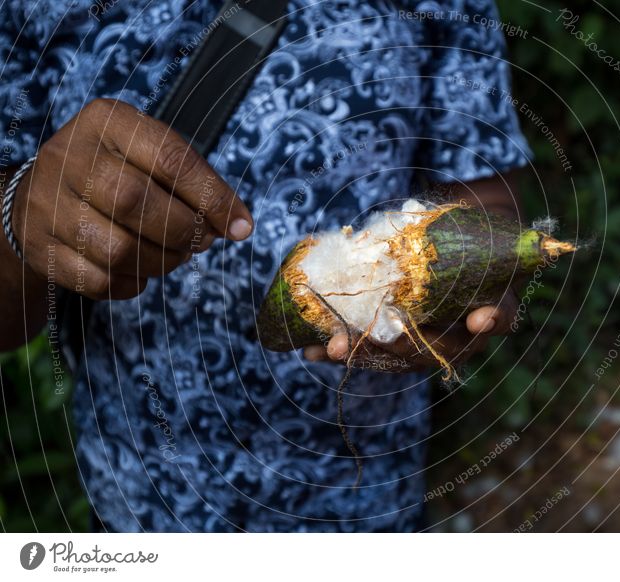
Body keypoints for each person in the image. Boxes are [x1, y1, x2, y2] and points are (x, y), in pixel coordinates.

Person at [0, 0, 531, 531]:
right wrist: (19, 215)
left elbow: (486, 195)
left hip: (362, 503)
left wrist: (474, 266)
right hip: (142, 507)